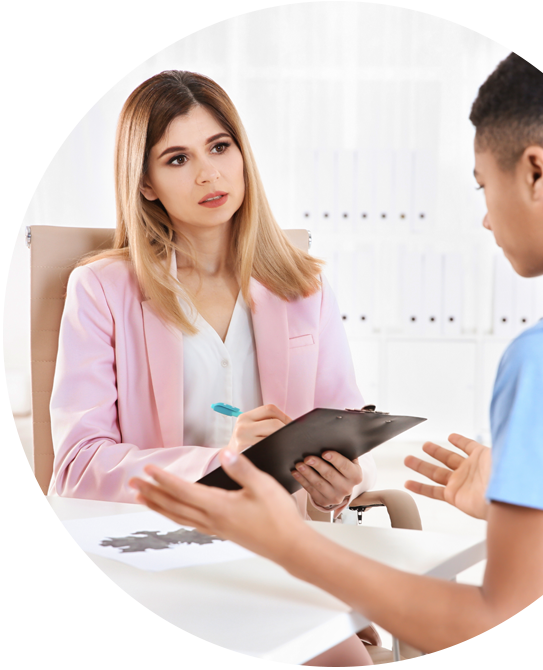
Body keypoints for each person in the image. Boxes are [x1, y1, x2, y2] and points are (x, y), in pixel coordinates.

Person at [132, 32, 543, 667]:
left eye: (481, 186)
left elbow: (510, 643)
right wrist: (520, 504)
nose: (486, 219)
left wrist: (288, 543)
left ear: (535, 172)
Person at [47, 71, 375, 667]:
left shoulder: (304, 289)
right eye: (178, 158)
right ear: (145, 184)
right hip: (142, 567)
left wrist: (335, 485)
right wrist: (222, 464)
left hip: (270, 567)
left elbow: (342, 426)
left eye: (220, 147)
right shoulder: (101, 289)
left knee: (346, 662)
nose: (208, 174)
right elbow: (77, 465)